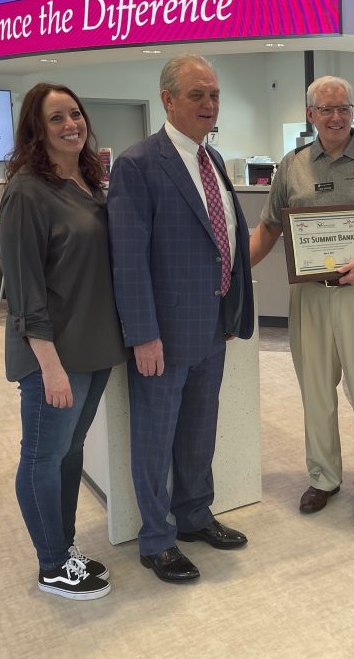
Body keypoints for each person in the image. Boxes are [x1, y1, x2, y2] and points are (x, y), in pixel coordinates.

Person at [107, 54, 255, 584]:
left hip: (212, 327)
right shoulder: (138, 164)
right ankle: (155, 538)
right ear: (168, 100)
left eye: (213, 94)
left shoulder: (212, 159)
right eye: (197, 95)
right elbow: (128, 259)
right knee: (154, 438)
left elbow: (225, 240)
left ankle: (194, 515)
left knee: (199, 431)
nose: (209, 104)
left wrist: (233, 308)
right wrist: (143, 335)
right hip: (163, 337)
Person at [249, 75, 354, 526]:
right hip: (310, 294)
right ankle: (323, 477)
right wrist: (230, 269)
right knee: (316, 392)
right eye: (326, 109)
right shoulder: (292, 166)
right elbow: (269, 229)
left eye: (344, 107)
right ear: (311, 115)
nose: (337, 116)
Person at [1, 82, 127, 600]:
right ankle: (52, 565)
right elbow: (25, 291)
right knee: (41, 458)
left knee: (69, 453)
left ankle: (64, 547)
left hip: (96, 347)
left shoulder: (92, 182)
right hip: (53, 354)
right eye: (56, 119)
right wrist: (49, 366)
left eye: (75, 114)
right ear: (36, 129)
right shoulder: (27, 191)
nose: (70, 124)